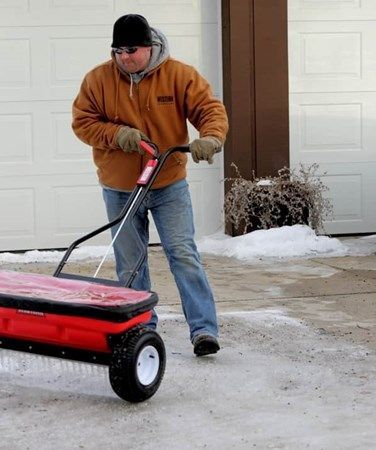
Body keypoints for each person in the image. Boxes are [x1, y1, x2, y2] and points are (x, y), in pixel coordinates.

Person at [71, 14, 228, 356]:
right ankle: (139, 329)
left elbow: (209, 109)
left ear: (150, 46)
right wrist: (117, 135)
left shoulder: (179, 75)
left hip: (168, 183)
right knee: (130, 264)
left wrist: (211, 137)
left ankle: (204, 330)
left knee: (183, 255)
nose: (124, 57)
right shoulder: (98, 79)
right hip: (120, 187)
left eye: (131, 50)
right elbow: (83, 122)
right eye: (118, 51)